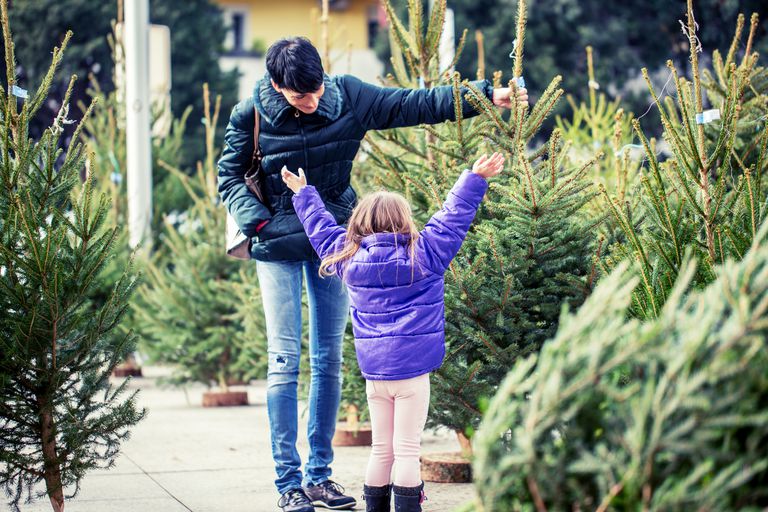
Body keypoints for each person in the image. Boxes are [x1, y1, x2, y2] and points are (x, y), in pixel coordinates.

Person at [217, 35, 526, 512]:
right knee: (284, 360)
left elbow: (414, 104)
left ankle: (319, 477)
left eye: (317, 88)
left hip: (339, 243)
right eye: (302, 95)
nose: (314, 99)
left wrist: (485, 95)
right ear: (277, 86)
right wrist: (259, 222)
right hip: (276, 244)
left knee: (326, 359)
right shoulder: (250, 115)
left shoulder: (347, 96)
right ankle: (288, 482)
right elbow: (229, 176)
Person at [281, 152, 505, 512]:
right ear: (404, 222)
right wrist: (474, 177)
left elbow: (320, 229)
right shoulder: (426, 254)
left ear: (360, 223)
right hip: (413, 374)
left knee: (381, 449)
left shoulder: (348, 259)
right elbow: (452, 219)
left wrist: (304, 192)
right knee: (407, 451)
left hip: (376, 376)